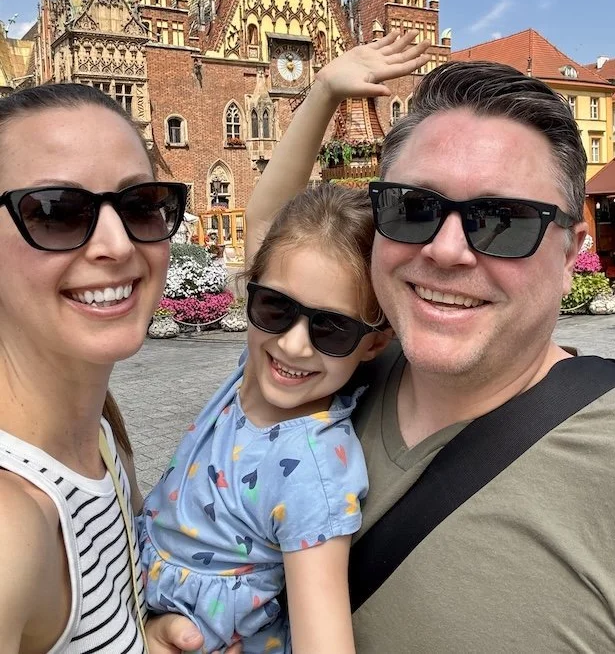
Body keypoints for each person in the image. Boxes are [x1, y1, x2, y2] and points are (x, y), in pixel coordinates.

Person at [138, 32, 430, 654]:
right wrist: (323, 89)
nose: (294, 344)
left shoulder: (313, 467)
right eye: (274, 308)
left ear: (371, 344)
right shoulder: (258, 365)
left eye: (331, 328)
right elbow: (266, 221)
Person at [349, 60, 615, 651]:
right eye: (412, 208)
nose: (447, 250)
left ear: (569, 256)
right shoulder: (322, 377)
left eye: (503, 221)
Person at [0, 82, 210, 654]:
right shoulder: (11, 526)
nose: (116, 245)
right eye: (55, 212)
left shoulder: (100, 434)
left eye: (142, 204)